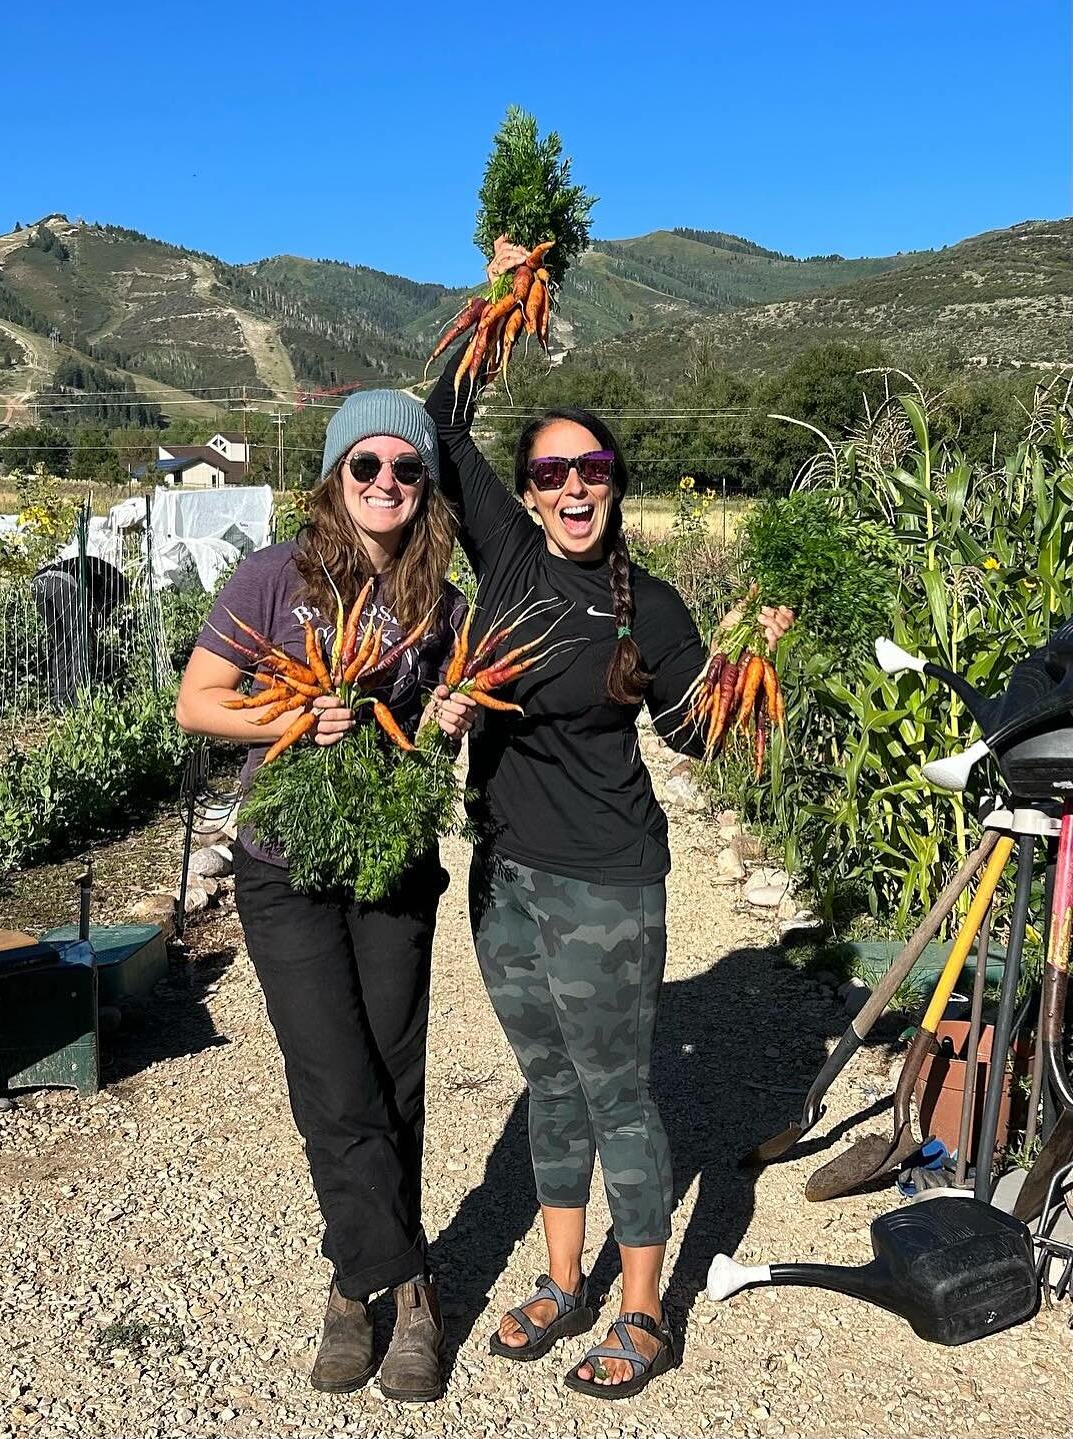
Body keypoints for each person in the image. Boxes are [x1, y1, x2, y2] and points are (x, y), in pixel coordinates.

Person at [424, 236, 793, 1399]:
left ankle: (644, 1309)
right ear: (526, 491)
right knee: (549, 1080)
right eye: (549, 473)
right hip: (506, 877)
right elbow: (440, 411)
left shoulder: (659, 603)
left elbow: (691, 735)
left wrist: (740, 668)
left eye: (591, 469)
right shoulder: (510, 556)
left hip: (607, 878)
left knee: (619, 1088)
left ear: (616, 482)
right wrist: (505, 290)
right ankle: (563, 1275)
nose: (570, 487)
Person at [175, 390, 476, 1403]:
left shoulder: (443, 598)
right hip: (284, 859)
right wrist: (292, 715)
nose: (386, 483)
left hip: (390, 854)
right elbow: (197, 701)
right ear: (335, 474)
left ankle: (357, 1283)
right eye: (366, 466)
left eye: (405, 468)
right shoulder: (273, 576)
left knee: (392, 1074)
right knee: (332, 1078)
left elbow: (442, 726)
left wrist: (443, 718)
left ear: (424, 484)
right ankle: (404, 1282)